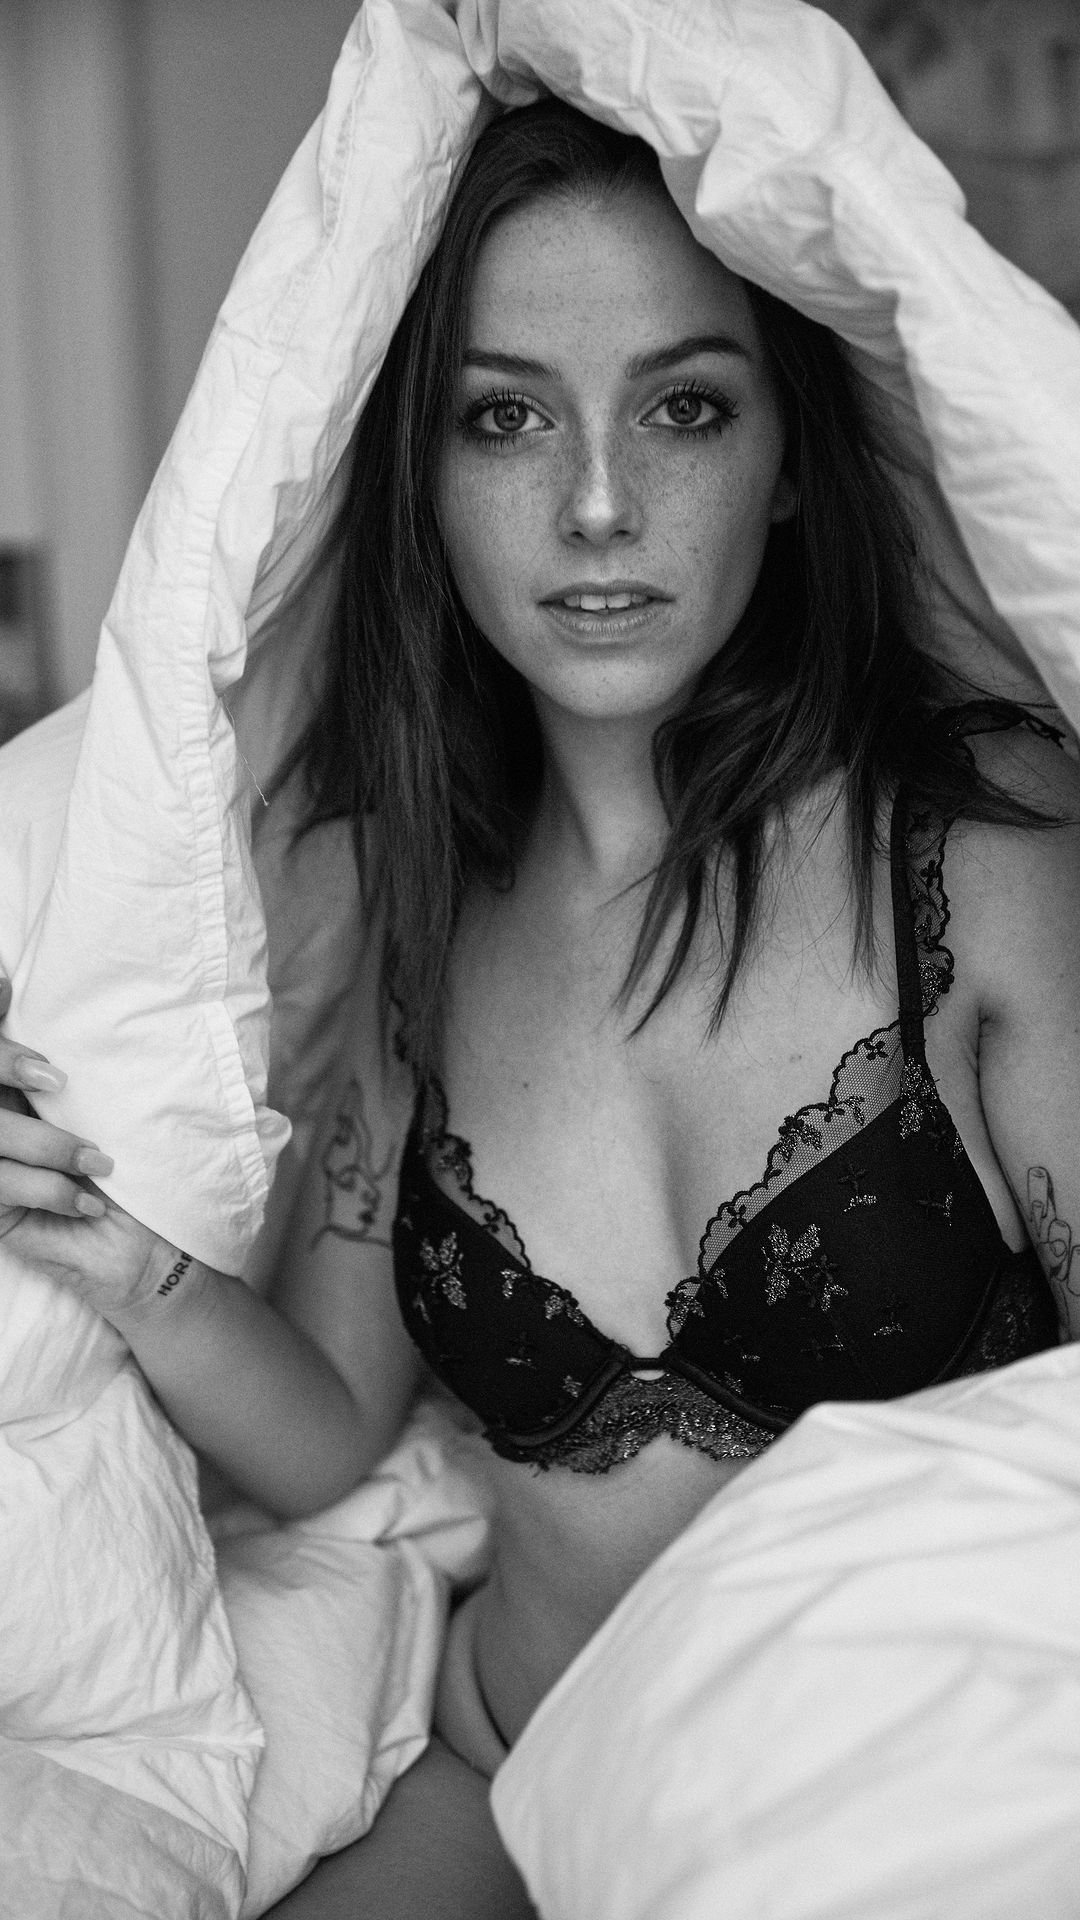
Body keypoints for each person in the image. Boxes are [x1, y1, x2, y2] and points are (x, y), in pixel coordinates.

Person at [2, 90, 1079, 1919]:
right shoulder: (420, 903)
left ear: (791, 456)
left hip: (898, 1813)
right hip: (506, 1770)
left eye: (684, 407)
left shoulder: (986, 853)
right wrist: (117, 1254)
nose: (595, 503)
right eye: (503, 417)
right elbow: (331, 1430)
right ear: (422, 477)